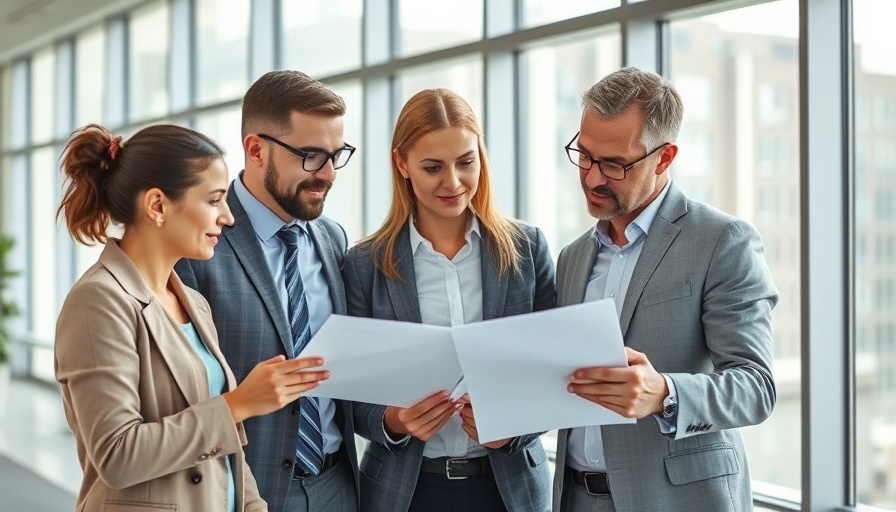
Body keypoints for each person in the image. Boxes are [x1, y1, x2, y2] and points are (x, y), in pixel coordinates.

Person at [55, 124, 329, 512]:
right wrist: (238, 404)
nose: (228, 217)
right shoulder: (98, 301)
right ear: (157, 205)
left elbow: (225, 446)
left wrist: (253, 505)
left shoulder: (194, 303)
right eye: (214, 200)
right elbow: (117, 456)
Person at [551, 66, 779, 511]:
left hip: (677, 500)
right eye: (584, 154)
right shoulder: (572, 257)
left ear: (665, 157)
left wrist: (665, 395)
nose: (593, 177)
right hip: (575, 498)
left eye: (614, 164)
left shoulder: (721, 241)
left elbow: (757, 388)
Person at [342, 88, 555, 512]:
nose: (453, 183)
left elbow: (555, 370)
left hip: (507, 489)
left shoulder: (527, 248)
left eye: (466, 162)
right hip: (406, 492)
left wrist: (514, 428)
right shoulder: (365, 264)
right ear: (401, 163)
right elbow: (347, 392)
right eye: (432, 167)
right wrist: (392, 421)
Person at [174, 70, 359, 512]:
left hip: (339, 484)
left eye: (337, 155)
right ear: (256, 150)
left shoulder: (332, 238)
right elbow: (177, 397)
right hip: (244, 489)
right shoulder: (197, 245)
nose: (329, 174)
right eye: (311, 156)